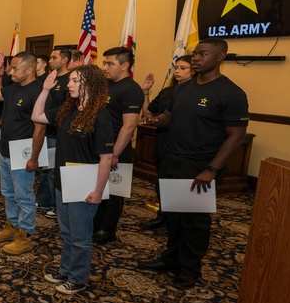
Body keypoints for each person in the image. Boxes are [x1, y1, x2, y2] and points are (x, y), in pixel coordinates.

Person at [138, 39, 249, 289]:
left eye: (202, 54)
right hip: (172, 160)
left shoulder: (231, 93)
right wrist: (154, 121)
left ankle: (189, 270)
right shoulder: (183, 88)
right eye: (194, 54)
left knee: (194, 221)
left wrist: (211, 170)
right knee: (173, 216)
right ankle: (171, 259)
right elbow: (168, 117)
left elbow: (236, 136)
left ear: (220, 57)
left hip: (200, 166)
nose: (196, 58)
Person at [31, 65, 113, 295]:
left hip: (84, 183)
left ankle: (78, 277)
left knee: (80, 236)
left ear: (90, 85)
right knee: (66, 232)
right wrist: (45, 90)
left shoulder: (102, 116)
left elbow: (106, 159)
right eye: (70, 81)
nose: (69, 84)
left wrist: (98, 191)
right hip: (63, 180)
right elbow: (36, 116)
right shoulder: (69, 110)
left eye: (75, 81)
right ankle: (66, 269)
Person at [0, 51, 46, 255]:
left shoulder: (39, 91)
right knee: (8, 193)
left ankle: (25, 235)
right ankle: (12, 227)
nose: (11, 71)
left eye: (15, 68)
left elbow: (40, 128)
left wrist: (34, 157)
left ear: (29, 70)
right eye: (10, 67)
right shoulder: (13, 89)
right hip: (5, 150)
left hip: (23, 152)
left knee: (24, 196)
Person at [92, 47, 143, 244]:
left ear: (124, 66)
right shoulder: (104, 85)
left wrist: (115, 153)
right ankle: (95, 224)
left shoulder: (131, 89)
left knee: (113, 192)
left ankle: (108, 229)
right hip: (98, 146)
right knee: (98, 187)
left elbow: (129, 126)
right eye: (104, 63)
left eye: (110, 63)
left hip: (116, 149)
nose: (105, 67)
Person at [140, 55, 194, 229]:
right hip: (163, 141)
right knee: (162, 182)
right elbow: (148, 113)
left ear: (194, 70)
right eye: (175, 68)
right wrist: (146, 91)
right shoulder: (167, 92)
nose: (177, 71)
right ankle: (163, 215)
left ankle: (177, 221)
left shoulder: (196, 92)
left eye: (183, 68)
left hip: (184, 145)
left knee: (181, 186)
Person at [36, 48, 73, 220]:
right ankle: (44, 201)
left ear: (65, 60)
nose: (50, 60)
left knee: (53, 172)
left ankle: (55, 205)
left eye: (54, 57)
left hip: (58, 133)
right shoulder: (50, 78)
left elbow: (67, 108)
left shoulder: (68, 81)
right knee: (46, 169)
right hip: (45, 129)